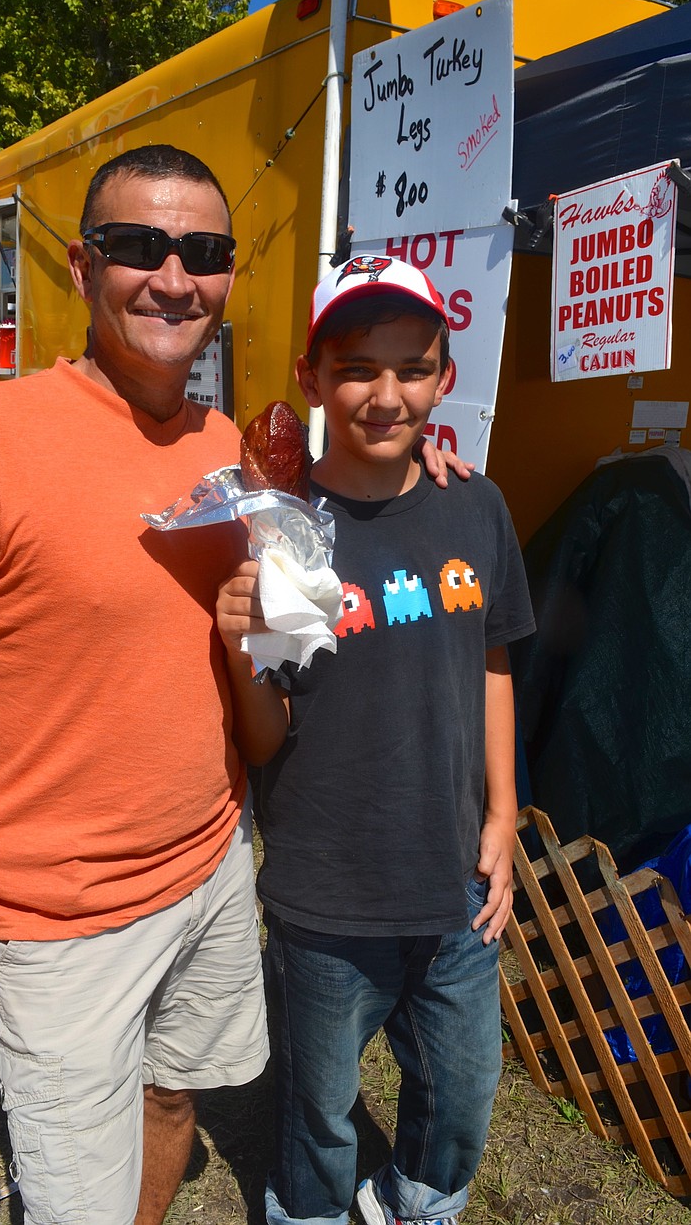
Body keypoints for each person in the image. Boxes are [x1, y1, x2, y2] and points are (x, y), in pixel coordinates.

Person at [0, 149, 467, 1225]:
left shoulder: (229, 448)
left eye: (204, 252)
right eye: (140, 247)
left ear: (228, 277)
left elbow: (295, 584)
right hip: (64, 920)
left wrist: (433, 482)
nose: (173, 277)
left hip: (214, 873)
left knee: (173, 1100)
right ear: (86, 265)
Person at [216, 256, 536, 1225]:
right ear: (313, 378)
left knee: (462, 1082)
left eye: (414, 368)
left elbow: (492, 663)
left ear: (444, 377)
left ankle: (418, 1201)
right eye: (358, 368)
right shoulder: (285, 534)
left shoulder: (475, 505)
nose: (386, 394)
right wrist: (239, 647)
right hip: (325, 893)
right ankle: (309, 1209)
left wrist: (505, 811)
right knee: (317, 1103)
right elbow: (267, 740)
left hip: (454, 885)